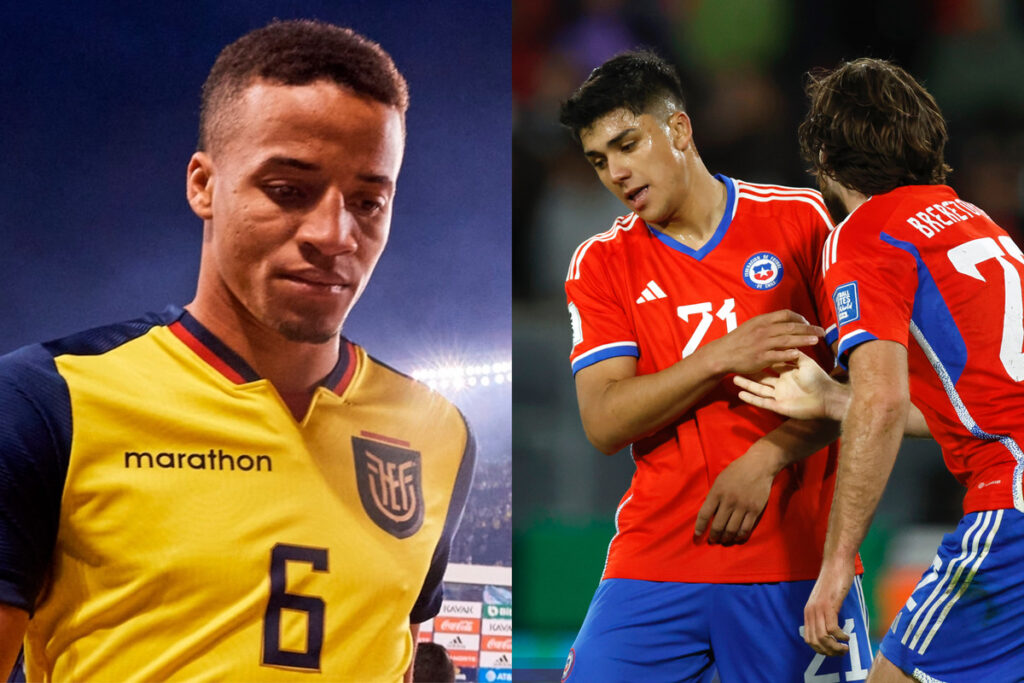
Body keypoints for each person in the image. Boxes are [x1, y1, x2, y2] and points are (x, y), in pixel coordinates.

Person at [0, 20, 474, 683]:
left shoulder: (438, 433)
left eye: (368, 201)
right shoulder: (50, 398)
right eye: (288, 190)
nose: (335, 234)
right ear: (203, 184)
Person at [556, 50, 873, 682]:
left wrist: (765, 459)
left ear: (678, 131)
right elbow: (603, 420)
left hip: (791, 557)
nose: (617, 172)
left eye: (627, 144)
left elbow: (861, 388)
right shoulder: (600, 264)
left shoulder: (799, 220)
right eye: (599, 160)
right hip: (654, 560)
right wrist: (719, 358)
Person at [738, 57, 1024, 681]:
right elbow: (977, 404)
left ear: (826, 162)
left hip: (1012, 505)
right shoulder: (979, 224)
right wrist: (834, 401)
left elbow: (884, 403)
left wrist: (836, 566)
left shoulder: (866, 234)